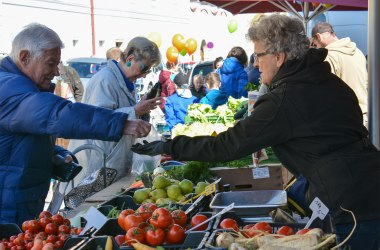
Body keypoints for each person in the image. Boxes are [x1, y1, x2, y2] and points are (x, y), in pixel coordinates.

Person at [132, 14, 380, 250]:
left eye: (259, 55)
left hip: (348, 205)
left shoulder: (284, 99)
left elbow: (225, 146)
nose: (256, 63)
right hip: (368, 185)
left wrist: (169, 145)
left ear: (279, 57)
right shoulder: (330, 82)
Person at [0, 23, 151, 225]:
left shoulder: (22, 87)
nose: (56, 72)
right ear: (25, 57)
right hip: (7, 208)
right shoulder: (9, 88)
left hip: (20, 200)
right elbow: (56, 113)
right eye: (51, 63)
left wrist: (53, 155)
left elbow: (16, 143)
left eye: (58, 64)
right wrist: (120, 123)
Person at [68, 36, 161, 182]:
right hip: (97, 162)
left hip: (111, 162)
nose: (144, 75)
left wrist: (141, 111)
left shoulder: (126, 82)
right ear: (130, 58)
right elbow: (97, 120)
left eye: (148, 71)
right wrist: (135, 110)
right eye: (144, 69)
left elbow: (123, 113)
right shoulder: (105, 80)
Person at [311, 22, 368, 124]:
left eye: (314, 44)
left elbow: (325, 92)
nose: (316, 48)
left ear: (319, 37)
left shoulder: (329, 56)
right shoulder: (358, 52)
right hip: (365, 113)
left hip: (345, 117)